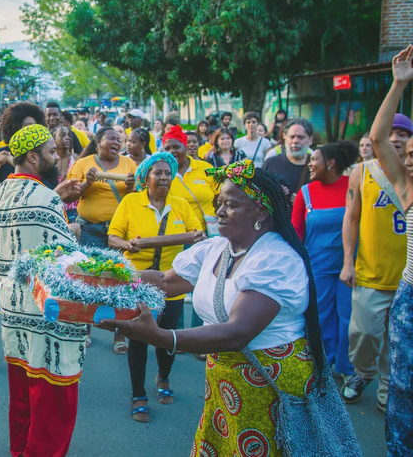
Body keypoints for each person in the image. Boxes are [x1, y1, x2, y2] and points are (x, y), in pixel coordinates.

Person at [99, 161, 352, 456]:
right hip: (226, 379)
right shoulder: (217, 248)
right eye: (220, 203)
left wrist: (161, 337)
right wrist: (111, 278)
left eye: (230, 205)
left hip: (270, 384)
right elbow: (167, 281)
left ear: (261, 212)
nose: (219, 211)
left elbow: (237, 333)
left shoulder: (276, 260)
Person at [0, 124, 86, 457]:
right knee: (51, 402)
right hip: (45, 311)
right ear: (32, 156)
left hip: (13, 308)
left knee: (22, 395)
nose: (55, 157)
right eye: (50, 152)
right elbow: (66, 255)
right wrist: (73, 226)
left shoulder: (1, 190)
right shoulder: (46, 198)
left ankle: (20, 451)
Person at [107, 153, 204, 423]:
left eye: (167, 173)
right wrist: (126, 245)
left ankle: (163, 377)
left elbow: (197, 235)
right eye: (157, 173)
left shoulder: (181, 205)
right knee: (138, 339)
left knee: (167, 339)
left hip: (172, 283)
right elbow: (113, 236)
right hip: (137, 282)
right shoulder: (130, 202)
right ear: (145, 178)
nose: (163, 177)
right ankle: (138, 395)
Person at [340, 110, 412, 414]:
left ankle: (386, 390)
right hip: (371, 270)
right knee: (365, 333)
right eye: (391, 133)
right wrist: (347, 261)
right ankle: (363, 372)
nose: (395, 138)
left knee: (397, 342)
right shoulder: (363, 171)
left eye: (403, 134)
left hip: (406, 277)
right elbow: (351, 217)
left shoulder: (408, 177)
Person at [367, 46, 413, 454]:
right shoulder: (407, 189)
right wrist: (398, 83)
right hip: (410, 299)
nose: (409, 158)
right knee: (403, 387)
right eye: (408, 154)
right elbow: (379, 138)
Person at [291, 141, 358, 380]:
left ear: (330, 163)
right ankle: (324, 365)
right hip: (317, 267)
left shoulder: (353, 186)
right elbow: (296, 232)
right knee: (321, 317)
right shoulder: (305, 193)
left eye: (315, 159)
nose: (310, 163)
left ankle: (348, 369)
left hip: (350, 267)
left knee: (349, 319)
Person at [68, 126, 136, 353]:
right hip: (90, 230)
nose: (117, 143)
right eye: (112, 138)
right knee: (88, 278)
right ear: (99, 142)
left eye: (120, 139)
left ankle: (120, 334)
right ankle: (85, 330)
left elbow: (136, 197)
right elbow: (70, 195)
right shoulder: (83, 164)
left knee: (120, 280)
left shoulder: (129, 164)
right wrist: (87, 182)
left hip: (119, 232)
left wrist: (132, 187)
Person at [0, 102, 46, 193]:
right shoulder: (1, 154)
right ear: (15, 127)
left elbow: (51, 187)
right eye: (28, 126)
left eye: (35, 126)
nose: (32, 130)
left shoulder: (44, 156)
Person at [163, 127, 216, 233]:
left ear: (185, 147)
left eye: (176, 147)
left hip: (206, 233)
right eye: (167, 148)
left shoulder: (206, 168)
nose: (172, 151)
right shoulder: (161, 172)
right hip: (174, 234)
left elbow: (219, 198)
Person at [262, 118, 314, 204]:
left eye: (301, 137)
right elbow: (257, 195)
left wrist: (308, 200)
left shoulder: (317, 167)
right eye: (292, 137)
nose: (295, 141)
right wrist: (275, 192)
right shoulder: (271, 164)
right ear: (284, 136)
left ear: (310, 140)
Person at [54, 125, 79, 222]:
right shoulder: (51, 160)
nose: (67, 138)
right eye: (63, 135)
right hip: (57, 209)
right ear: (54, 138)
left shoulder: (76, 158)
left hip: (74, 209)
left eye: (69, 135)